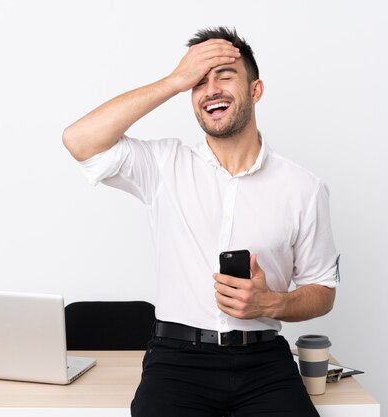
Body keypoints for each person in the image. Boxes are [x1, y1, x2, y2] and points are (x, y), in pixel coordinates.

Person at [63, 26, 340, 417]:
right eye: (198, 82)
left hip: (264, 363)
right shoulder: (164, 165)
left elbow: (323, 289)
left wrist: (273, 302)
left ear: (256, 90)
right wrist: (174, 81)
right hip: (177, 363)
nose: (210, 89)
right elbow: (80, 139)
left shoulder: (304, 188)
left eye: (225, 77)